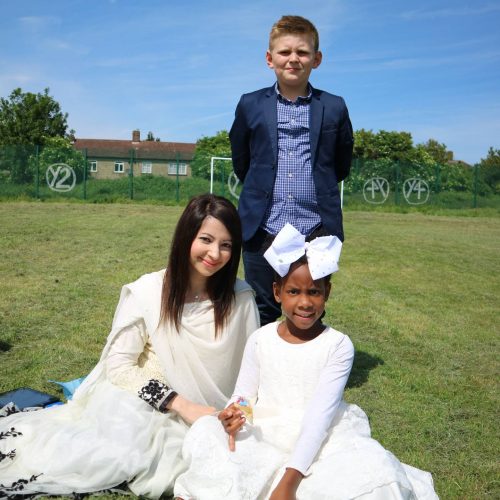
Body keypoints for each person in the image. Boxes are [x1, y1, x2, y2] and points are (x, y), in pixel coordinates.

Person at [0, 194, 260, 498]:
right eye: (206, 239)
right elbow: (120, 366)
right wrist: (180, 404)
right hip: (150, 403)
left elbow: (253, 369)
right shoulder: (149, 292)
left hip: (215, 409)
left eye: (226, 245)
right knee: (131, 459)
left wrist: (236, 412)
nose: (215, 253)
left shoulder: (241, 298)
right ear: (186, 237)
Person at [173, 224, 438, 500]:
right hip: (266, 430)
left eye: (314, 292)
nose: (305, 303)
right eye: (293, 292)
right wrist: (234, 413)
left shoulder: (337, 345)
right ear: (277, 292)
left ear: (327, 292)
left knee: (366, 481)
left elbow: (319, 417)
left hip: (323, 437)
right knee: (211, 439)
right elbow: (244, 396)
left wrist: (289, 482)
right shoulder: (261, 339)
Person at [230, 15, 354, 326]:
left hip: (316, 229)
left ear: (317, 59)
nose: (293, 59)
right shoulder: (250, 104)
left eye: (302, 52)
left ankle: (307, 355)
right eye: (285, 52)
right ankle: (261, 356)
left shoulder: (334, 106)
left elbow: (341, 164)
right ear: (269, 58)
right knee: (261, 307)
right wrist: (260, 189)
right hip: (262, 228)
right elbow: (242, 160)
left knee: (308, 307)